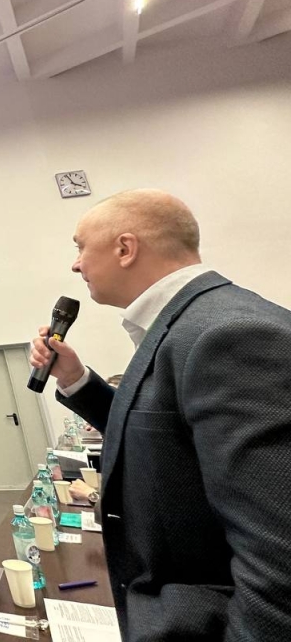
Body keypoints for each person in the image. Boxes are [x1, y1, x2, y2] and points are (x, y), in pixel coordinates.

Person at [29, 189, 291, 641]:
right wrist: (74, 378)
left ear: (125, 249)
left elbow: (279, 562)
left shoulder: (230, 334)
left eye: (80, 247)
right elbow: (159, 437)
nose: (75, 264)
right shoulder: (185, 325)